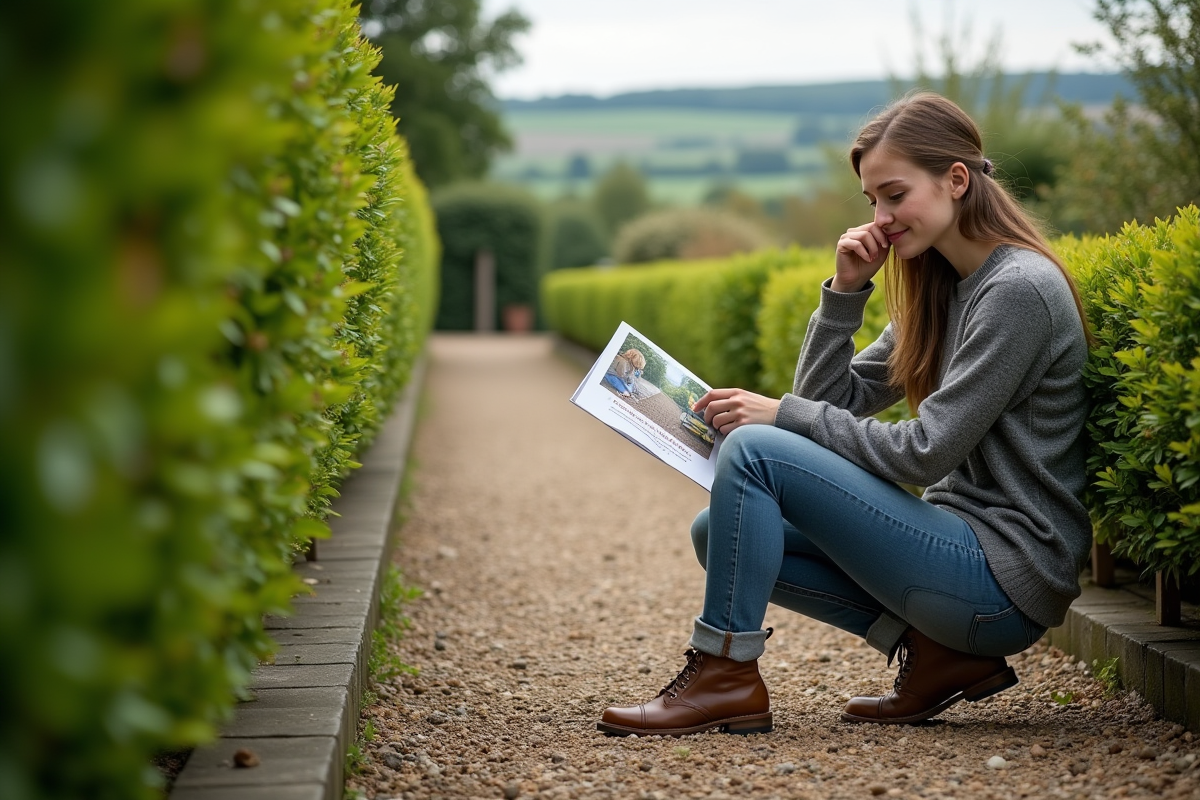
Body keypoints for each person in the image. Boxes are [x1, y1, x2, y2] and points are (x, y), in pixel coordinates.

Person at [597, 92, 1093, 737]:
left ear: (956, 180)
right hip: (957, 550)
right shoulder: (942, 287)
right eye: (872, 201)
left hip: (1002, 578)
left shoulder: (1018, 290)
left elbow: (924, 453)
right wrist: (845, 293)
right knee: (716, 532)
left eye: (895, 195)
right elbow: (829, 402)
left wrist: (779, 416)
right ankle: (937, 655)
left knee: (754, 450)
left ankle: (725, 672)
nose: (881, 219)